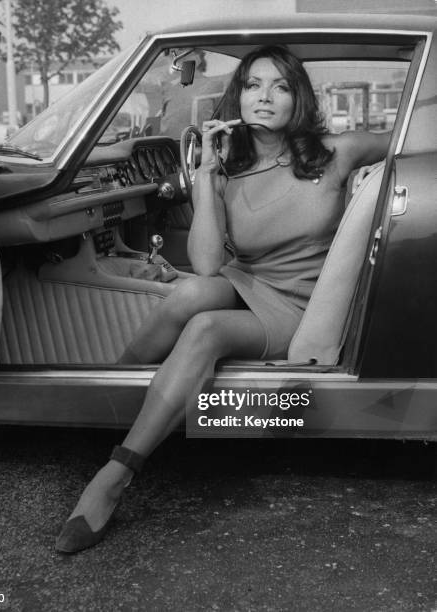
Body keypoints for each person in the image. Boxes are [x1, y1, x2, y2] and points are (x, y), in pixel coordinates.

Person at [55, 45, 390, 554]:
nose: (264, 97)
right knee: (190, 291)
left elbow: (413, 137)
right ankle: (108, 406)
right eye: (253, 85)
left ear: (297, 97)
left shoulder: (337, 152)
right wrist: (207, 176)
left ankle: (117, 472)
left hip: (300, 302)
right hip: (245, 279)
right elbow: (210, 264)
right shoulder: (229, 168)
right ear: (238, 96)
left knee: (206, 328)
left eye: (280, 86)